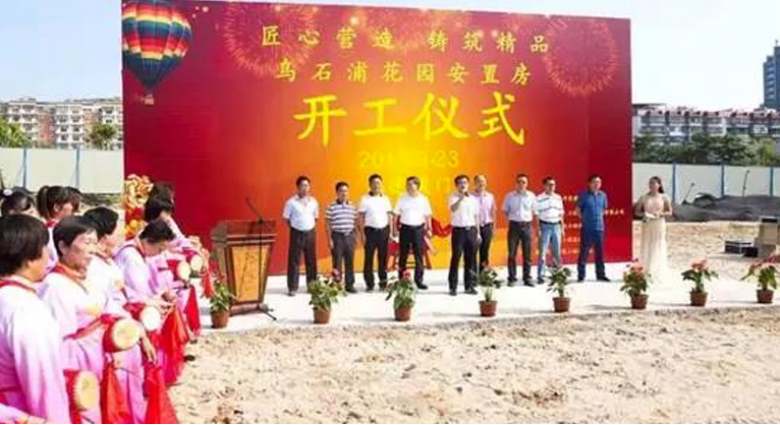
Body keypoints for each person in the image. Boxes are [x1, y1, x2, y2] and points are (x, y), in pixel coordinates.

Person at [40, 217, 154, 424]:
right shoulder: (55, 286)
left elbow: (111, 309)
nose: (92, 250)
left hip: (101, 358)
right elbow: (59, 342)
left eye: (94, 243)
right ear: (63, 246)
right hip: (79, 365)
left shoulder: (89, 279)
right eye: (86, 242)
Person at [0, 215, 71, 423]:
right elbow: (43, 382)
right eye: (45, 248)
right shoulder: (25, 308)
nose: (49, 256)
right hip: (17, 408)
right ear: (29, 258)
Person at [394, 177, 433, 290]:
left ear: (417, 186)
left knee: (419, 256)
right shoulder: (402, 197)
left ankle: (419, 281)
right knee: (403, 255)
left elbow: (427, 215)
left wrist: (429, 228)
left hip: (419, 229)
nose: (408, 187)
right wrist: (394, 229)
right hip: (405, 229)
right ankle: (402, 280)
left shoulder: (423, 199)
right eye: (407, 184)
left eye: (410, 184)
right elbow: (396, 214)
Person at [283, 176, 320, 297]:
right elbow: (286, 219)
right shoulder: (291, 202)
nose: (305, 188)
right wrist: (295, 227)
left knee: (311, 260)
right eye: (302, 186)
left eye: (307, 185)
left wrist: (308, 226)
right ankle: (292, 287)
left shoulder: (314, 201)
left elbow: (316, 217)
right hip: (296, 233)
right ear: (298, 187)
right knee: (294, 260)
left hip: (310, 233)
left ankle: (312, 286)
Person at [635, 176, 673, 287]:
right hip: (647, 223)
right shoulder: (643, 197)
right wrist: (644, 214)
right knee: (647, 244)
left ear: (659, 185)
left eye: (654, 183)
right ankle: (646, 269)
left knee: (658, 244)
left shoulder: (664, 197)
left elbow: (670, 212)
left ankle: (657, 271)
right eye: (650, 183)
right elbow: (637, 211)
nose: (652, 185)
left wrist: (660, 214)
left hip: (659, 223)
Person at [359, 174, 393, 292]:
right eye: (373, 183)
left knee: (383, 258)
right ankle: (369, 283)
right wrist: (362, 234)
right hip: (370, 232)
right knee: (369, 258)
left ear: (381, 184)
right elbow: (361, 217)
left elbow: (389, 216)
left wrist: (391, 232)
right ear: (369, 185)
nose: (376, 185)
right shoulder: (364, 199)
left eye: (378, 183)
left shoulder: (385, 199)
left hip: (384, 231)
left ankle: (383, 282)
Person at [448, 175, 481, 296]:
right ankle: (453, 287)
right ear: (456, 185)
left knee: (470, 259)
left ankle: (469, 286)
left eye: (465, 183)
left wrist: (478, 233)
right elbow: (453, 209)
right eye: (460, 183)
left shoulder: (473, 199)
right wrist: (460, 199)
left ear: (468, 184)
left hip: (471, 230)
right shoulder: (453, 197)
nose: (463, 185)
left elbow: (476, 216)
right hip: (459, 231)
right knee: (456, 258)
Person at [36, 186, 81, 272]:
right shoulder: (50, 233)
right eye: (72, 205)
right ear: (56, 207)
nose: (75, 210)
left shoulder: (48, 230)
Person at [503, 174, 537, 287]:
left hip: (527, 226)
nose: (521, 184)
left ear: (527, 184)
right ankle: (512, 278)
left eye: (524, 182)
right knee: (512, 253)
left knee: (527, 254)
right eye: (519, 182)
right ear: (516, 183)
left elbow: (535, 211)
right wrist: (513, 219)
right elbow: (505, 211)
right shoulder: (509, 196)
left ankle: (527, 278)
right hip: (514, 226)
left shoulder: (531, 196)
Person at [325, 182, 359, 293]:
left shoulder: (352, 206)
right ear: (337, 192)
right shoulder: (331, 207)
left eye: (346, 191)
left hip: (350, 236)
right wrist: (329, 239)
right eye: (341, 191)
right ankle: (337, 285)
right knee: (337, 262)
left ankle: (350, 285)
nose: (344, 193)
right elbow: (328, 224)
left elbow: (355, 222)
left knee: (350, 262)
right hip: (337, 237)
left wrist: (356, 237)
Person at [577, 174, 611, 282]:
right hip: (587, 228)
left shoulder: (603, 195)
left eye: (599, 182)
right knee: (584, 252)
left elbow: (603, 209)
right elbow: (578, 210)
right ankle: (581, 275)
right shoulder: (584, 195)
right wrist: (586, 219)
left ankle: (600, 274)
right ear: (589, 183)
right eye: (595, 182)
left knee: (600, 253)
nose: (597, 184)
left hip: (599, 228)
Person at [535, 177, 565, 284]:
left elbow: (561, 214)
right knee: (542, 252)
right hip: (545, 226)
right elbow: (536, 215)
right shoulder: (539, 198)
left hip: (556, 226)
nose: (552, 187)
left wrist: (562, 228)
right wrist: (538, 229)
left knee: (557, 252)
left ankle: (557, 274)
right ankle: (541, 275)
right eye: (549, 184)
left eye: (553, 184)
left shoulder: (558, 198)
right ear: (544, 186)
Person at [472, 175, 496, 273]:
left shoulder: (490, 196)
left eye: (483, 181)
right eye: (479, 181)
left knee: (485, 251)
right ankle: (472, 275)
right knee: (472, 251)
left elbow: (493, 213)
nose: (481, 183)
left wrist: (493, 228)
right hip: (473, 227)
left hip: (487, 226)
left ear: (486, 183)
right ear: (474, 183)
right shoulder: (470, 197)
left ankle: (483, 274)